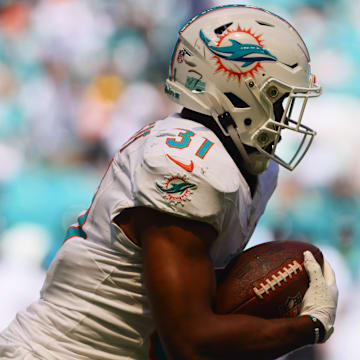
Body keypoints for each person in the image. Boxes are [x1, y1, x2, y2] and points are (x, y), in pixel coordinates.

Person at [0, 5, 338, 360]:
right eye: (277, 98)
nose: (285, 114)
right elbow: (191, 341)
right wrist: (309, 327)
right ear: (236, 89)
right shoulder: (187, 161)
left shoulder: (250, 167)